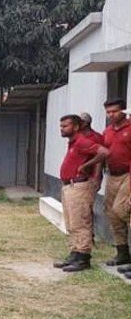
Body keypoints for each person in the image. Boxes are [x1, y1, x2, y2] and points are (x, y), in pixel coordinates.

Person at [53, 115, 108, 272]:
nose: (62, 129)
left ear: (76, 127)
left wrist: (86, 166)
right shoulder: (73, 143)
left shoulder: (82, 141)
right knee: (72, 223)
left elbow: (104, 152)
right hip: (69, 186)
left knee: (81, 222)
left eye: (65, 126)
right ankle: (75, 253)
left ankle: (83, 257)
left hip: (79, 187)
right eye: (61, 126)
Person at [102, 99, 131, 267]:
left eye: (115, 111)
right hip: (112, 175)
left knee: (121, 210)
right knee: (113, 215)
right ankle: (122, 253)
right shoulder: (108, 131)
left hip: (128, 174)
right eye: (108, 112)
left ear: (123, 111)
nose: (111, 115)